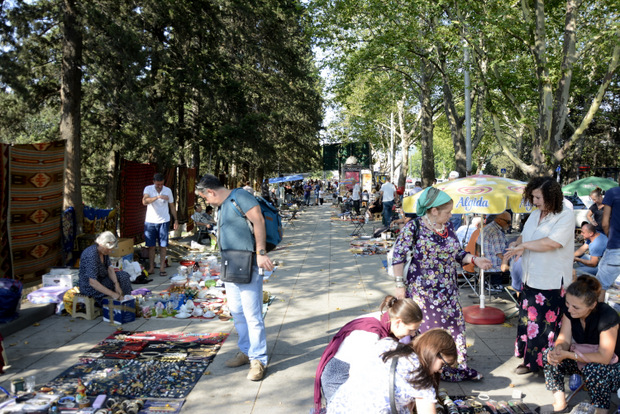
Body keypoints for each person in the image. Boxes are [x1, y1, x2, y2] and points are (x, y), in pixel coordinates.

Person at [392, 187, 492, 382]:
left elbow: (457, 253)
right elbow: (398, 256)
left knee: (456, 329)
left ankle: (455, 368)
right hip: (424, 292)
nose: (451, 215)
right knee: (430, 332)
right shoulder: (414, 227)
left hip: (448, 290)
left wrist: (474, 260)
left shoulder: (448, 228)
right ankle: (427, 370)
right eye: (447, 212)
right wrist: (399, 285)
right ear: (434, 210)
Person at [196, 174, 274, 381]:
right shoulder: (221, 206)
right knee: (237, 312)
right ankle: (246, 350)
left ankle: (258, 360)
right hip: (230, 263)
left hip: (247, 262)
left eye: (205, 198)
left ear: (210, 192)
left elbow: (258, 221)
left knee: (252, 314)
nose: (206, 201)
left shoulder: (240, 196)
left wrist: (261, 253)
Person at [504, 176, 575, 375]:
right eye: (533, 197)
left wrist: (524, 246)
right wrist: (516, 244)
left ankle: (547, 365)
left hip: (551, 279)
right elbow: (525, 236)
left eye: (538, 198)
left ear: (552, 196)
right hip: (530, 276)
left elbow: (552, 242)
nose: (535, 202)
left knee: (547, 325)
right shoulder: (535, 215)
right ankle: (529, 361)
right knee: (529, 321)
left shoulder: (565, 216)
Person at [314, 295, 423, 409]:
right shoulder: (370, 336)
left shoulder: (386, 318)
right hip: (339, 377)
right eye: (411, 330)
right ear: (398, 322)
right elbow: (357, 375)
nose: (413, 334)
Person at [327, 329, 458, 414]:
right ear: (434, 354)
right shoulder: (421, 380)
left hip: (338, 406)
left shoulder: (387, 344)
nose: (440, 371)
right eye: (443, 365)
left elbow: (355, 370)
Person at [543, 275, 620, 414]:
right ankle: (560, 402)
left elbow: (604, 357)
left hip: (612, 366)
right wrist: (559, 349)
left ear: (592, 305)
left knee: (595, 369)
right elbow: (564, 340)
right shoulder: (570, 312)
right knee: (548, 355)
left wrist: (570, 355)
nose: (570, 309)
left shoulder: (607, 316)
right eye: (567, 304)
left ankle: (601, 409)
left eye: (576, 307)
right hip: (582, 358)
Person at [78, 231, 132, 304]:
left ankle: (126, 301)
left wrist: (116, 284)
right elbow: (93, 282)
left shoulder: (104, 252)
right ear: (101, 244)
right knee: (111, 293)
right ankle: (115, 303)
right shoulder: (91, 255)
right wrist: (113, 294)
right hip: (90, 288)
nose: (110, 251)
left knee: (123, 276)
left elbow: (110, 268)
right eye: (108, 249)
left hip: (102, 280)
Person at [142, 172, 178, 276]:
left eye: (161, 184)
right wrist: (158, 197)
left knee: (163, 245)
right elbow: (144, 201)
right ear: (153, 182)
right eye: (158, 184)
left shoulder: (168, 190)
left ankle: (162, 267)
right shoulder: (148, 189)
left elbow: (172, 206)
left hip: (164, 221)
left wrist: (176, 220)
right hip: (150, 221)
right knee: (151, 246)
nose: (160, 186)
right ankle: (152, 267)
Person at [596, 184, 620, 301]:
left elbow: (605, 223)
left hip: (616, 246)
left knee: (599, 287)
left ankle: (599, 318)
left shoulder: (613, 192)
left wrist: (611, 237)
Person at [479, 212, 511, 292]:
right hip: (493, 266)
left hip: (483, 262)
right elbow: (500, 255)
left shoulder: (488, 227)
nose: (510, 224)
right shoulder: (496, 232)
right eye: (508, 222)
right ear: (499, 221)